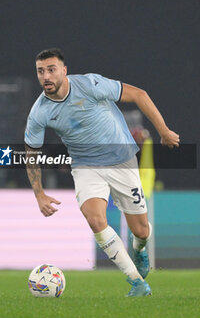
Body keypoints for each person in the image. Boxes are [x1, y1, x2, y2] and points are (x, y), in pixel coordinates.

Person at [24, 48, 179, 297]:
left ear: (64, 71)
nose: (46, 76)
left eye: (51, 70)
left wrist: (163, 130)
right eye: (41, 71)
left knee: (140, 230)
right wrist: (39, 194)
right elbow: (31, 152)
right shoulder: (39, 112)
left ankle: (139, 248)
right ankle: (137, 283)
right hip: (86, 166)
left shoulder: (90, 84)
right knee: (95, 219)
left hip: (122, 160)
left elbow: (139, 95)